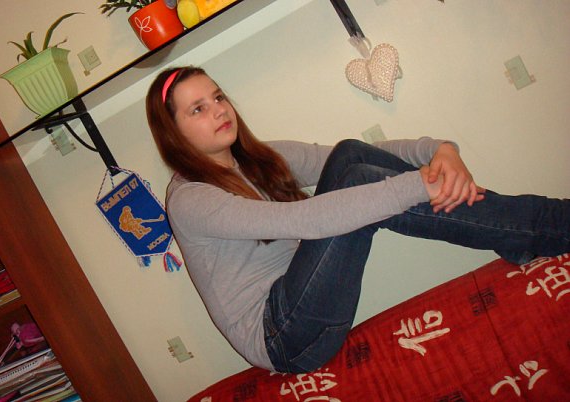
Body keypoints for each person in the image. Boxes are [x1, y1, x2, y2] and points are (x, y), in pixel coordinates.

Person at [146, 66, 569, 374]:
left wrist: (438, 150)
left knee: (348, 155)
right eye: (197, 109)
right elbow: (303, 220)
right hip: (284, 337)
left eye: (218, 97)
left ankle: (530, 232)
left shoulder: (254, 159)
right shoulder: (190, 200)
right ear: (174, 133)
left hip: (299, 301)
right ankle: (547, 224)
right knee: (355, 179)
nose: (219, 111)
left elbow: (345, 155)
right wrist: (421, 184)